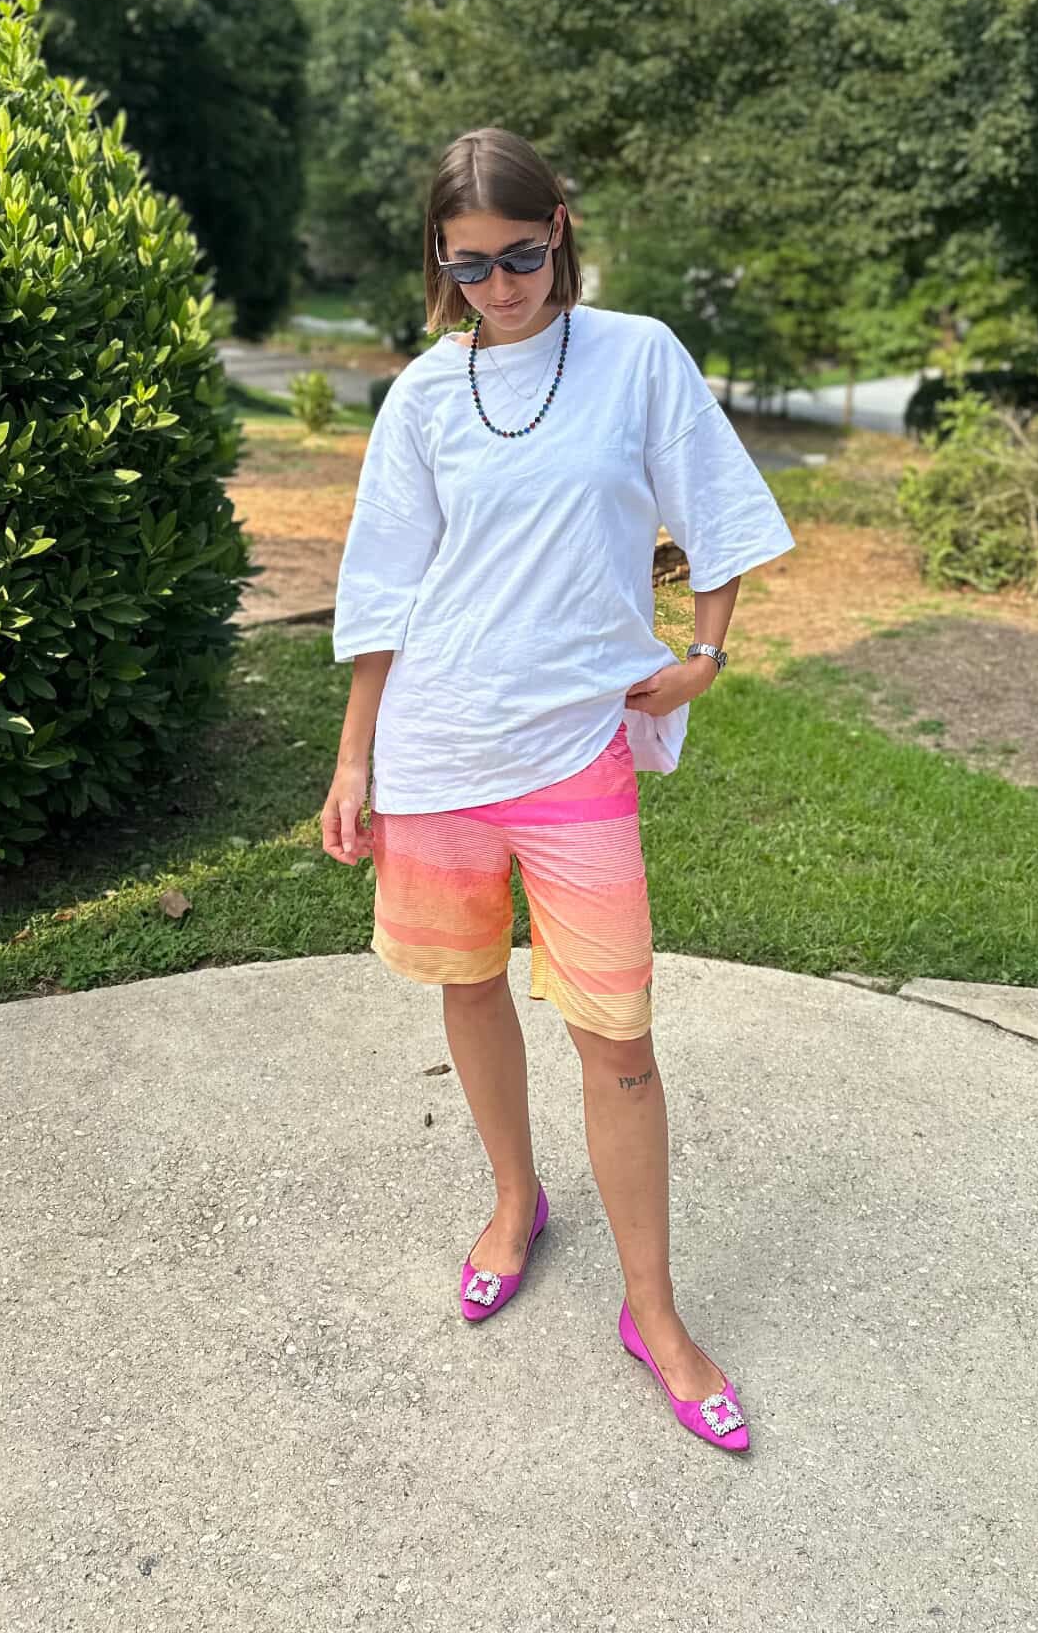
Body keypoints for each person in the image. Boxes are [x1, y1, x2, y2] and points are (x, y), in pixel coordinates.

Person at [322, 126, 795, 1451]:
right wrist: (356, 758)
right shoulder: (425, 395)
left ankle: (655, 1310)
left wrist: (706, 653)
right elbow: (383, 588)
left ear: (561, 230)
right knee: (468, 985)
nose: (499, 287)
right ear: (439, 258)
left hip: (577, 747)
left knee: (618, 1037)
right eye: (468, 265)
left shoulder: (636, 356)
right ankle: (513, 1202)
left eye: (520, 257)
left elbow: (718, 506)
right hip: (437, 750)